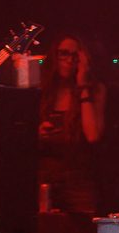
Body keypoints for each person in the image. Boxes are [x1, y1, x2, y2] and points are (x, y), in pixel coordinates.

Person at [37, 33, 106, 215]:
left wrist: (82, 85)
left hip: (78, 180)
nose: (69, 60)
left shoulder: (95, 90)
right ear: (54, 56)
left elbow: (92, 135)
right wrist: (38, 133)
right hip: (45, 176)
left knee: (79, 229)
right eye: (64, 54)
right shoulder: (42, 90)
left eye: (75, 56)